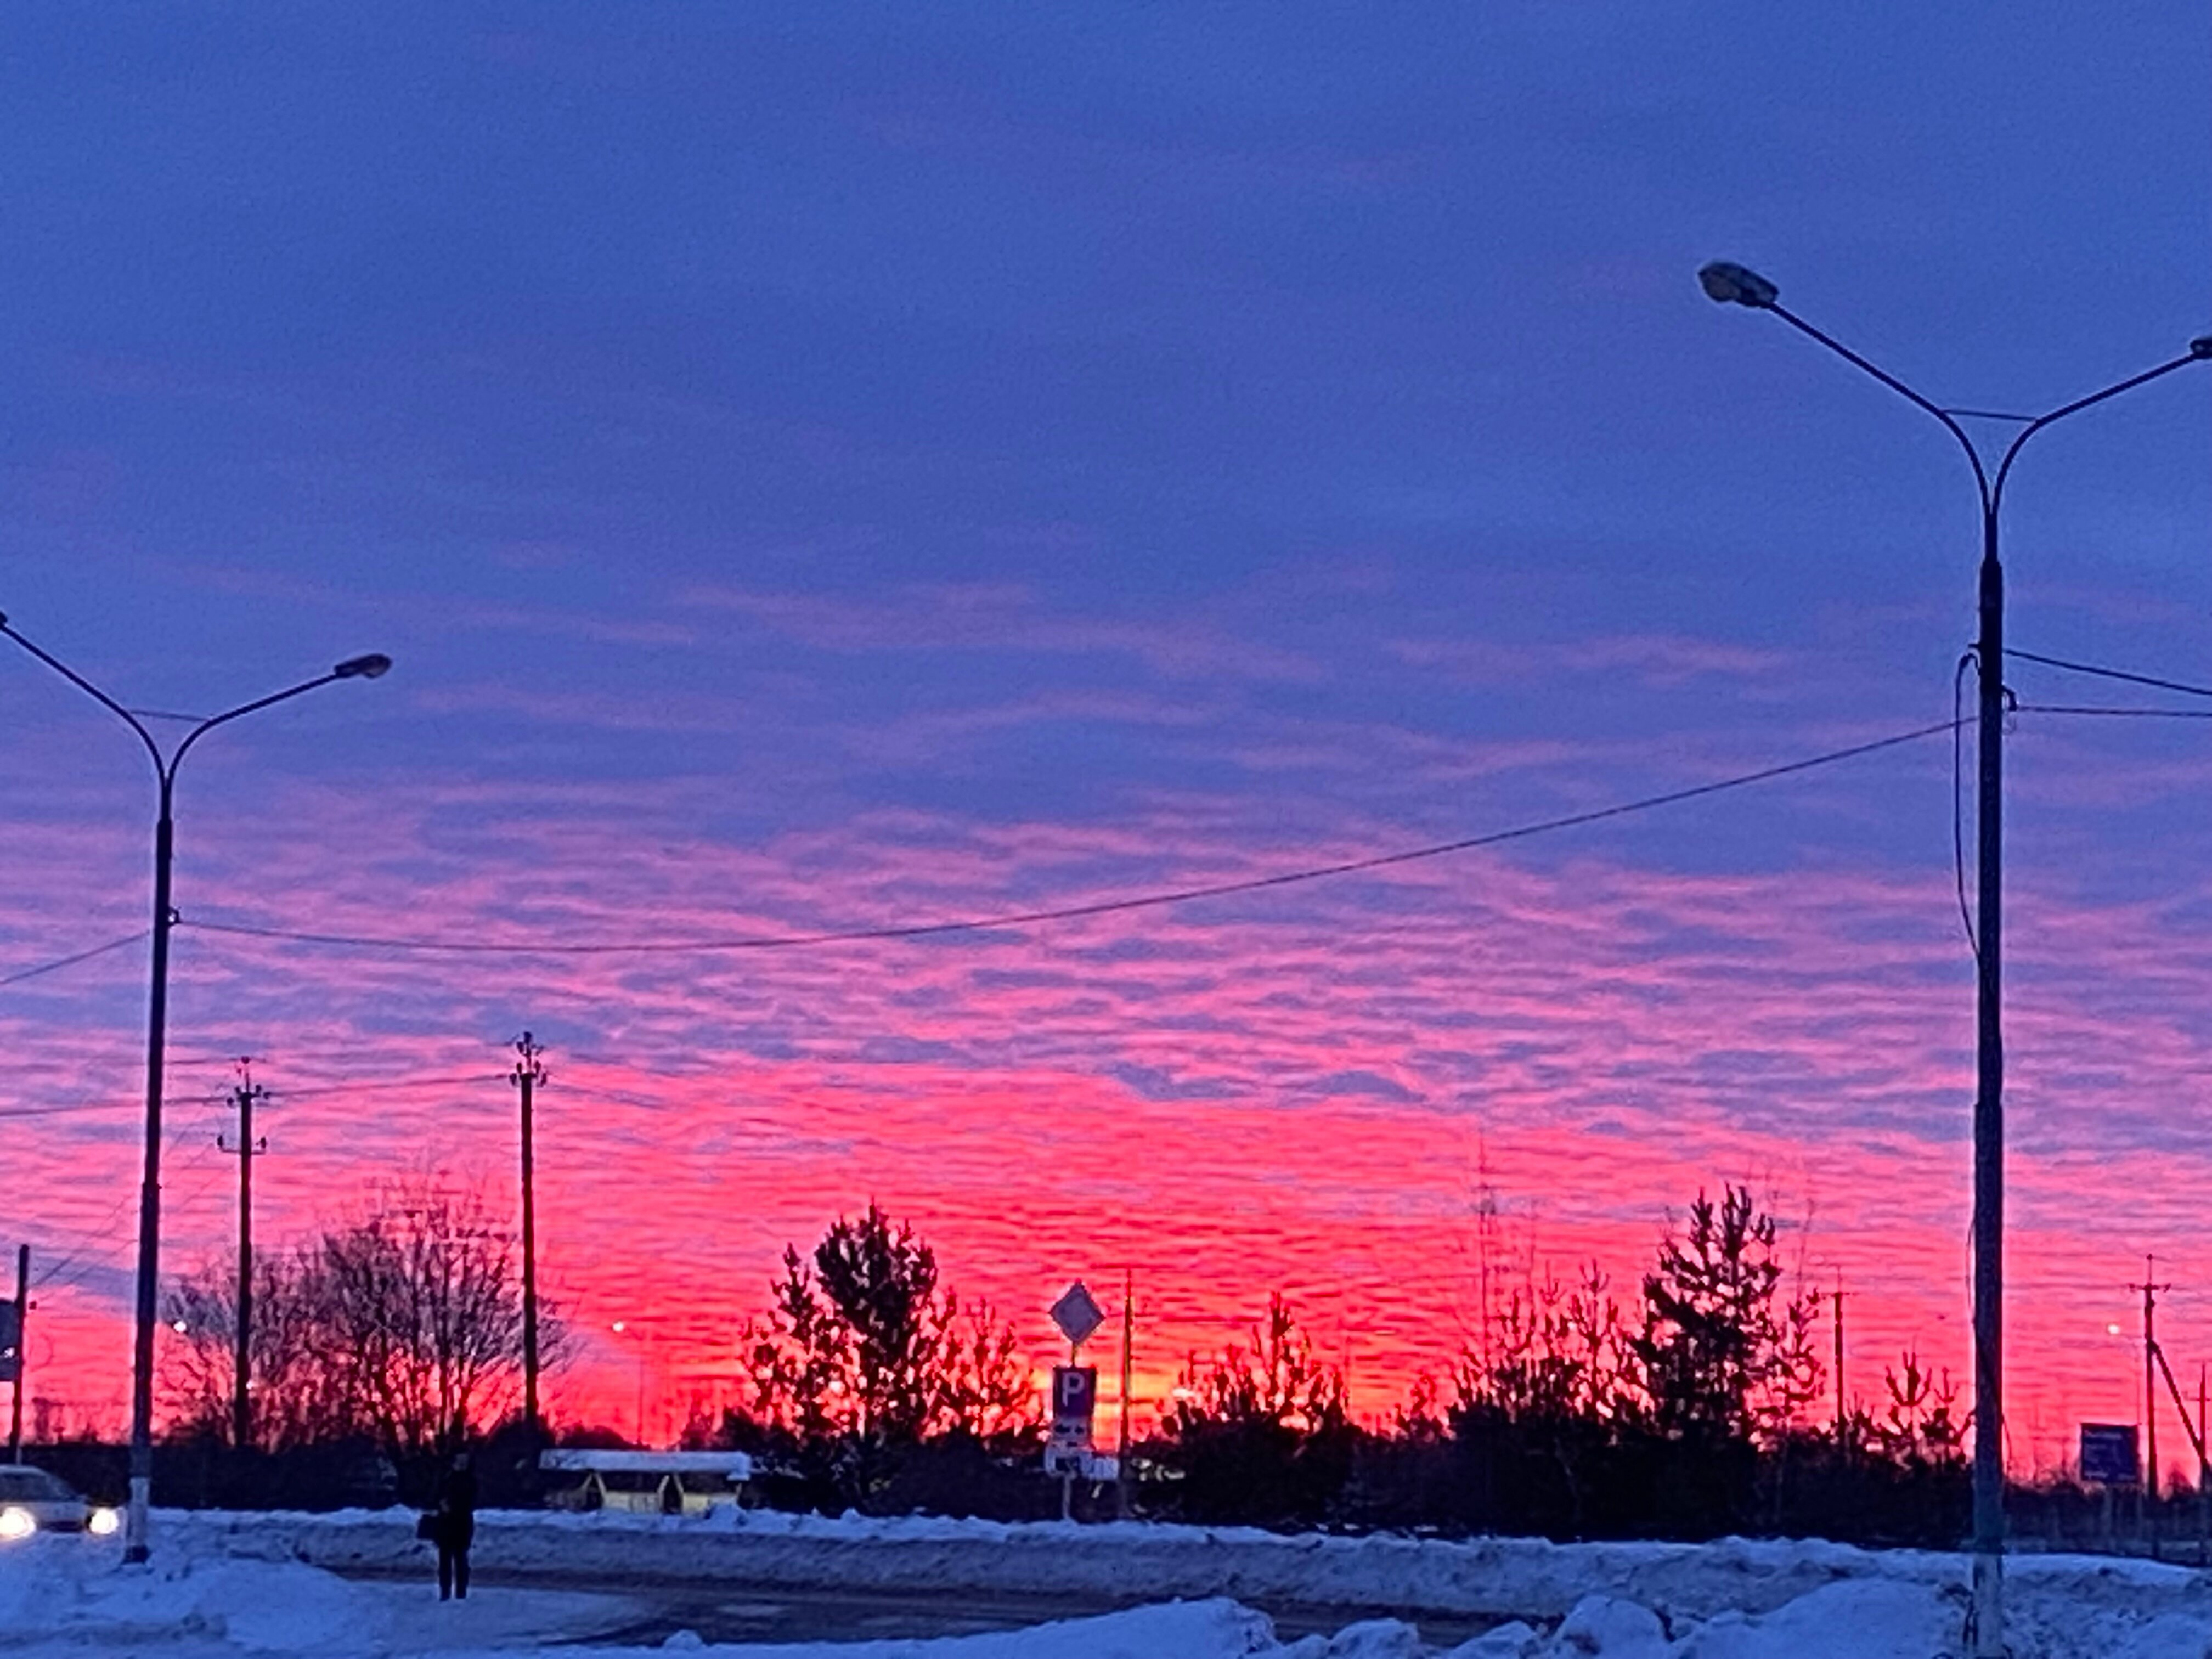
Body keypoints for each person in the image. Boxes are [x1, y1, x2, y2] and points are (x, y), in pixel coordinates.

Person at [435, 1451, 477, 1601]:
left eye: (465, 1461)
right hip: (447, 1524)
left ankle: (460, 1591)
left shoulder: (469, 1481)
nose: (462, 1464)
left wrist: (451, 1506)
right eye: (460, 1461)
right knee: (445, 1559)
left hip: (460, 1524)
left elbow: (471, 1501)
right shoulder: (447, 1479)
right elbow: (436, 1495)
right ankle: (446, 1590)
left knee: (460, 1559)